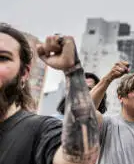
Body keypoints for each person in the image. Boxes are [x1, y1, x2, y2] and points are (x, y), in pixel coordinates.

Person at [0, 23, 100, 164]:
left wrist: (73, 71)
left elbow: (80, 159)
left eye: (2, 58)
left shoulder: (41, 131)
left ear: (24, 73)